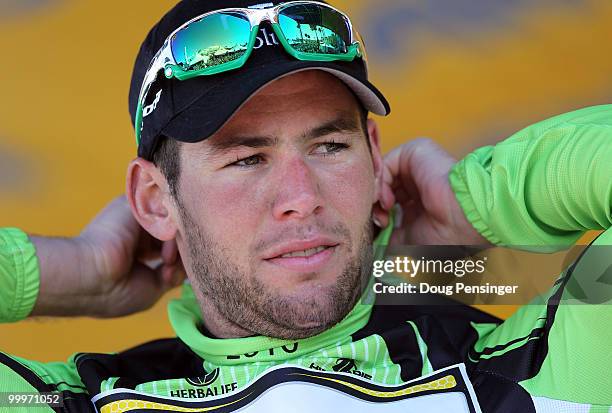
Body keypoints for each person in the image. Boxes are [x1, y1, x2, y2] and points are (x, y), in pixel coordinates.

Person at [1, 0, 611, 411]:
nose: (301, 198)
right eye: (246, 158)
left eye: (329, 146)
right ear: (156, 202)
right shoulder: (79, 402)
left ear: (375, 162)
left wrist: (481, 202)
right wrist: (64, 274)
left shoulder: (523, 371)